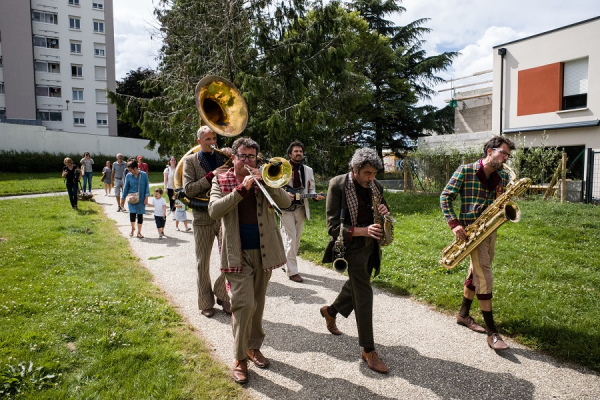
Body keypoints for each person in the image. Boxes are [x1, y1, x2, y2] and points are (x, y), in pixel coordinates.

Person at [208, 136, 291, 385]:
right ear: (233, 157)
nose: (247, 161)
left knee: (258, 303)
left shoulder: (264, 179)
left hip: (264, 252)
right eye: (242, 156)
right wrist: (240, 190)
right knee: (243, 304)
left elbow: (285, 203)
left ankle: (253, 348)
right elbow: (214, 210)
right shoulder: (220, 179)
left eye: (252, 156)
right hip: (236, 252)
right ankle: (239, 358)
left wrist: (268, 182)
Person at [440, 135, 516, 351]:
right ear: (489, 151)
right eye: (502, 152)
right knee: (484, 274)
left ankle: (463, 315)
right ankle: (492, 332)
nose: (505, 158)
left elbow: (502, 202)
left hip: (490, 229)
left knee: (476, 272)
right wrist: (454, 223)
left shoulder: (501, 175)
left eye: (508, 155)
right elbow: (445, 197)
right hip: (470, 231)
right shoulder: (465, 170)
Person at [320, 147, 391, 374]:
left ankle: (331, 311)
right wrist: (363, 231)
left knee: (357, 285)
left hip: (371, 247)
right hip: (350, 247)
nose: (372, 178)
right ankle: (368, 350)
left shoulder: (375, 186)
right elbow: (332, 227)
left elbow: (385, 210)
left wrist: (384, 210)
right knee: (364, 294)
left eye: (374, 174)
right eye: (368, 173)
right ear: (355, 169)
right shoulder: (338, 185)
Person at [182, 126, 232, 318]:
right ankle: (205, 301)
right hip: (202, 216)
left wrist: (232, 155)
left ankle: (223, 294)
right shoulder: (190, 161)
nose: (212, 142)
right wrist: (211, 176)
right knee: (202, 262)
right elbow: (188, 190)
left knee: (229, 258)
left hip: (222, 214)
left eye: (214, 138)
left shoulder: (224, 157)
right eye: (207, 139)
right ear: (199, 142)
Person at [280, 141, 325, 282]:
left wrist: (315, 196)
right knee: (291, 237)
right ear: (290, 154)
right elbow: (274, 186)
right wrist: (284, 194)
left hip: (301, 207)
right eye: (295, 151)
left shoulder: (308, 170)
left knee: (296, 239)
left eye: (300, 151)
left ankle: (285, 262)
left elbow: (311, 190)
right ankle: (292, 272)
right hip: (285, 208)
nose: (298, 153)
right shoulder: (281, 167)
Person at [121, 159, 150, 239]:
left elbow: (147, 187)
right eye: (129, 170)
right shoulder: (128, 176)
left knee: (140, 214)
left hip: (141, 198)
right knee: (132, 214)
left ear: (135, 168)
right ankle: (133, 228)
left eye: (131, 170)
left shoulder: (143, 175)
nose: (130, 172)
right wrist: (122, 200)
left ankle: (139, 232)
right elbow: (126, 188)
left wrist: (146, 198)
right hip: (131, 198)